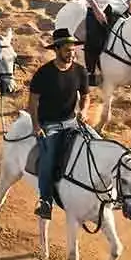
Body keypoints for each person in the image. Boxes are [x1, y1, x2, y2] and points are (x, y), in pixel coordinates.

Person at [27, 27, 91, 220]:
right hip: (50, 125)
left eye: (73, 50)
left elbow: (86, 96)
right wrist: (36, 126)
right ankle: (45, 201)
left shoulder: (80, 71)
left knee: (93, 144)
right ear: (56, 50)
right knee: (48, 158)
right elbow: (32, 101)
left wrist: (84, 110)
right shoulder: (43, 74)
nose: (71, 54)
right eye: (67, 50)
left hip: (72, 122)